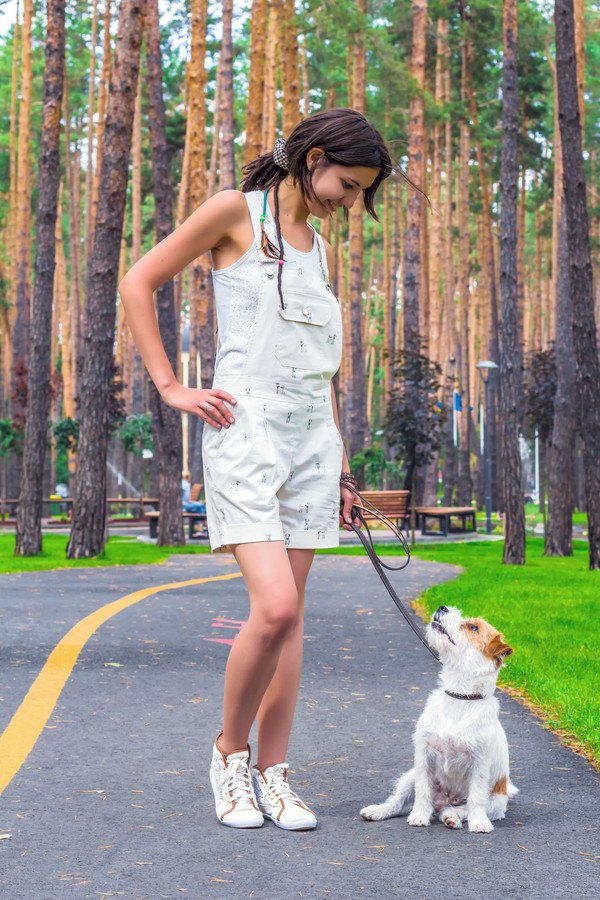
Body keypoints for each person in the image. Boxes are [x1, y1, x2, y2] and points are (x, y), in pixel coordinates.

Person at [118, 107, 394, 831]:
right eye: (349, 182)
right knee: (272, 608)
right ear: (315, 157)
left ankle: (276, 775)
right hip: (245, 431)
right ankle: (229, 756)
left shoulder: (318, 248)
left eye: (362, 191)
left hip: (311, 440)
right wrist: (172, 386)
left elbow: (320, 370)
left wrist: (336, 466)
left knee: (292, 618)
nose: (351, 199)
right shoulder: (233, 213)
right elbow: (137, 281)